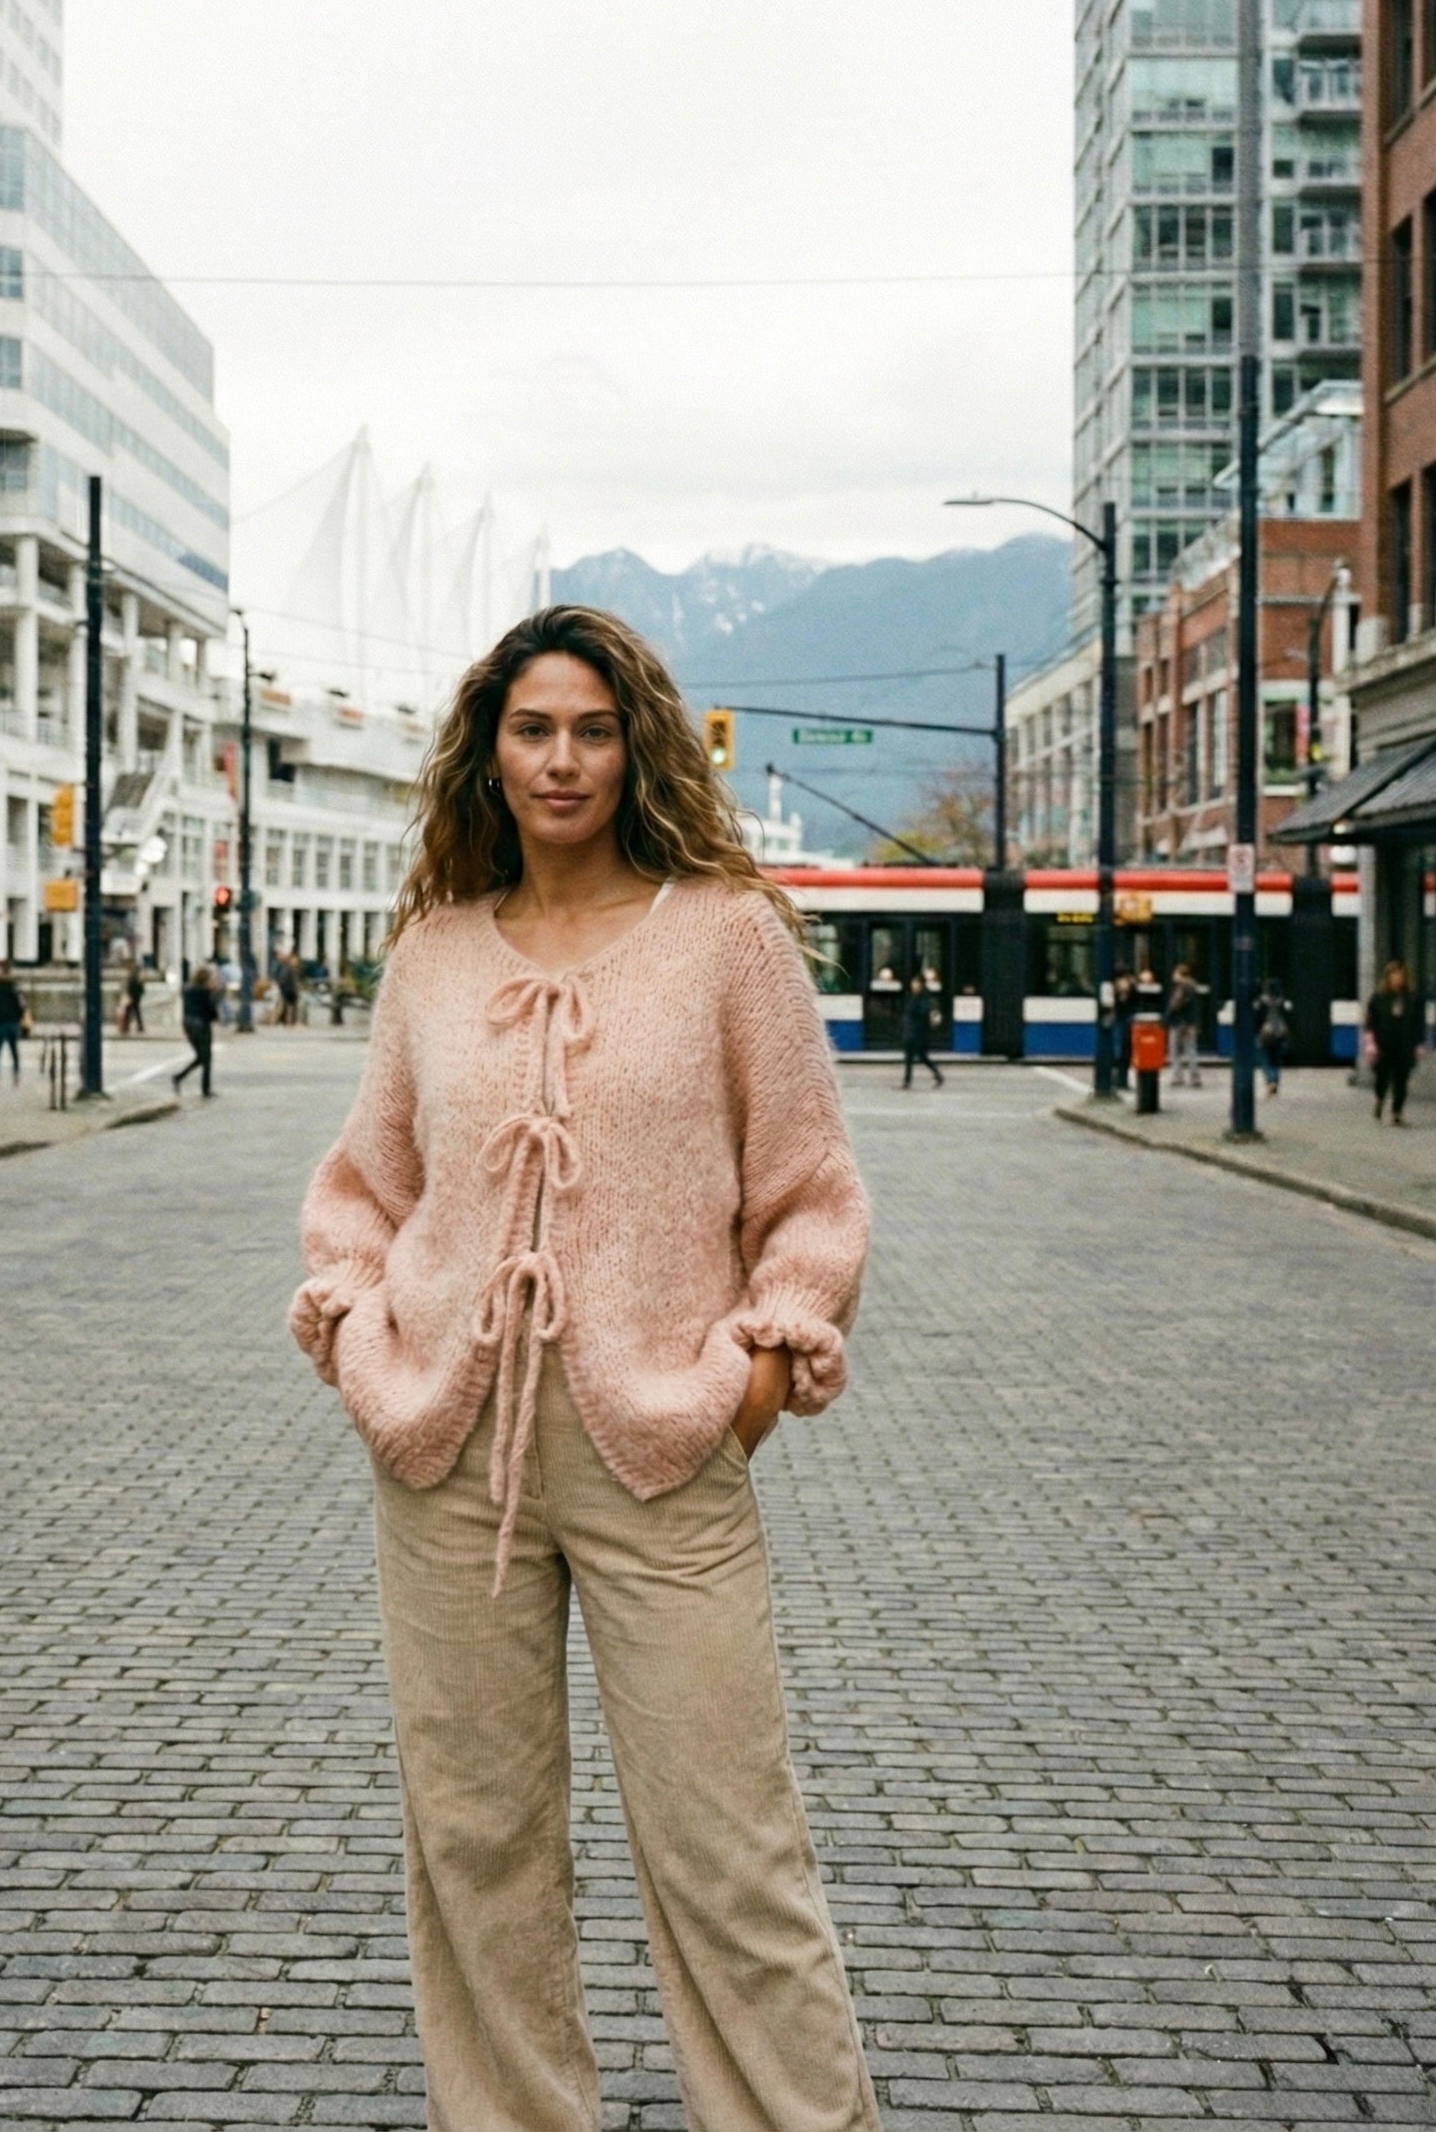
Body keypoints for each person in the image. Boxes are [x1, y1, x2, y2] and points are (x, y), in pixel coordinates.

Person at [292, 605, 879, 2130]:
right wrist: (360, 1331)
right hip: (443, 1454)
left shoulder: (728, 941)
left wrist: (755, 1375)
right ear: (490, 750)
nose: (564, 760)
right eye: (535, 728)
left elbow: (809, 1193)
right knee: (476, 1849)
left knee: (730, 1852)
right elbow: (367, 1185)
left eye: (595, 730)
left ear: (639, 749)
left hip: (664, 1447)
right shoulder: (429, 956)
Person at [1366, 959, 1420, 1126]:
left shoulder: (1411, 997)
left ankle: (1397, 1111)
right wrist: (1371, 1043)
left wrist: (1419, 1043)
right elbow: (1370, 1021)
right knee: (1382, 1077)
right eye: (1394, 976)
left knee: (1401, 1080)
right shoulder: (1378, 997)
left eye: (1401, 976)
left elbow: (1418, 1021)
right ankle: (1380, 1099)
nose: (1398, 979)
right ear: (1388, 978)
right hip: (1384, 1044)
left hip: (1404, 1044)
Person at [172, 961, 220, 1095]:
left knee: (201, 1057)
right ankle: (205, 1088)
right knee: (207, 1058)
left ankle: (179, 1077)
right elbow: (211, 1008)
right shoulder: (205, 991)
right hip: (201, 1025)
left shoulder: (187, 989)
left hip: (188, 1024)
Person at [901, 968, 944, 1089]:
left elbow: (924, 1013)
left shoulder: (924, 998)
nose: (913, 985)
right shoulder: (912, 997)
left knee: (922, 1057)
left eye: (916, 983)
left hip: (919, 1033)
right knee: (910, 1057)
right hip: (911, 1031)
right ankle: (907, 1081)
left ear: (921, 984)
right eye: (913, 983)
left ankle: (938, 1075)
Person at [0, 959, 27, 1085]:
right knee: (14, 1050)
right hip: (12, 1021)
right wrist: (20, 1017)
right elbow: (21, 1005)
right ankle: (16, 1076)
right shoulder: (14, 986)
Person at [1166, 960, 1205, 1087]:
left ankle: (1177, 1076)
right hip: (1191, 1022)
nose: (1173, 976)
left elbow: (1175, 1004)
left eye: (1175, 973)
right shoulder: (1193, 987)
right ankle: (1195, 1077)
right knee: (1191, 1049)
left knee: (1175, 1050)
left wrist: (1167, 1016)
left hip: (1179, 1022)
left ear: (1181, 974)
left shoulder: (1181, 987)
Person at [1255, 976, 1292, 1098]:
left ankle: (1270, 1081)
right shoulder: (1283, 1002)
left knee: (1265, 1059)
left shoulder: (1261, 1002)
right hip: (1280, 1034)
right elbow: (1288, 1017)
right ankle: (1275, 1081)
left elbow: (1257, 1019)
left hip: (1265, 1035)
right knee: (1276, 1060)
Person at [1112, 968, 1137, 1093]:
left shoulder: (1132, 989)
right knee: (1120, 1052)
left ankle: (1122, 1080)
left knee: (1125, 1052)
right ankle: (1119, 1080)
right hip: (1120, 1023)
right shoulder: (1115, 991)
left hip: (1125, 1023)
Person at [273, 947, 299, 1027]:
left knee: (287, 1005)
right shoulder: (286, 967)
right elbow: (283, 978)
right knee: (287, 1005)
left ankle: (288, 1021)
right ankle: (287, 1022)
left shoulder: (287, 966)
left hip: (288, 989)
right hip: (288, 989)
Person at [122, 960, 146, 1036]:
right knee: (136, 1012)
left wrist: (130, 995)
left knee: (129, 1012)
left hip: (133, 998)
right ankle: (138, 1027)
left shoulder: (133, 978)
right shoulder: (137, 978)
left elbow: (130, 988)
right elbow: (141, 989)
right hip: (136, 998)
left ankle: (126, 1027)